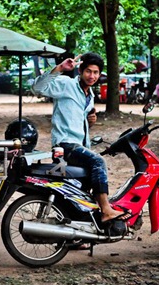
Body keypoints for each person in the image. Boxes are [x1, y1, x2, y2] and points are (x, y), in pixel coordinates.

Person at [32, 52, 130, 223]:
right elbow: (37, 88)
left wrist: (89, 122)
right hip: (65, 145)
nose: (92, 76)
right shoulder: (66, 84)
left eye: (96, 73)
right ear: (80, 71)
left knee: (82, 190)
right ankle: (106, 210)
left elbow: (78, 123)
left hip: (79, 145)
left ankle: (78, 234)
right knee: (98, 162)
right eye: (88, 72)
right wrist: (60, 68)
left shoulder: (90, 96)